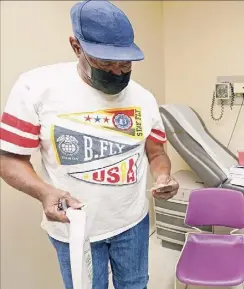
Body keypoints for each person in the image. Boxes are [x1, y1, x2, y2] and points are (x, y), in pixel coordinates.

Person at [0, 1, 179, 289]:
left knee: (135, 285)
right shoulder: (36, 88)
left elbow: (156, 152)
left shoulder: (144, 98)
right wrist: (45, 192)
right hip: (75, 227)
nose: (118, 72)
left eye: (125, 63)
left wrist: (163, 176)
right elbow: (9, 160)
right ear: (76, 46)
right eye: (106, 62)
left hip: (132, 223)